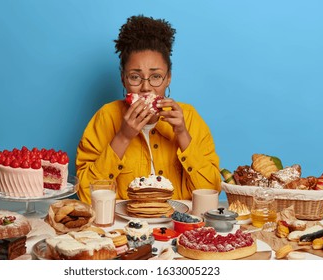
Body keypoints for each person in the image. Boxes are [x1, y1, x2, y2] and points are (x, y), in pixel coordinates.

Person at [76, 15, 221, 204]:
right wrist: (123, 137)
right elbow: (86, 196)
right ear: (123, 79)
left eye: (155, 76)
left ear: (168, 78)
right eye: (135, 77)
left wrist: (182, 134)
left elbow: (211, 193)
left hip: (177, 228)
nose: (146, 88)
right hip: (122, 229)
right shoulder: (106, 117)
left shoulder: (190, 118)